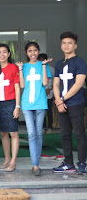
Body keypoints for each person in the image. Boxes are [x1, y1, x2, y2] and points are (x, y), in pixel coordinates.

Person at [53, 31, 87, 175]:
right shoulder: (59, 63)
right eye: (64, 43)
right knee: (65, 134)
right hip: (62, 104)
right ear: (61, 46)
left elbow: (79, 83)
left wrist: (63, 99)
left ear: (75, 45)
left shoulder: (79, 62)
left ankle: (82, 163)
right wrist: (58, 101)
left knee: (79, 134)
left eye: (70, 43)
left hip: (76, 103)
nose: (66, 45)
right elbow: (55, 84)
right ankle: (68, 163)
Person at [16, 42, 52, 176]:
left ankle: (36, 162)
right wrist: (20, 69)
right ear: (26, 53)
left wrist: (43, 66)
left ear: (38, 51)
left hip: (41, 102)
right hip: (27, 103)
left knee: (38, 133)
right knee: (31, 133)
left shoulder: (44, 65)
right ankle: (35, 164)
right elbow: (22, 85)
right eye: (30, 51)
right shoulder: (24, 67)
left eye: (35, 50)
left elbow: (44, 83)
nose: (33, 53)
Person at [0, 44, 20, 172]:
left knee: (13, 132)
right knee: (3, 132)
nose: (2, 55)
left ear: (9, 54)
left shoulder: (13, 67)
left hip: (11, 102)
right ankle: (7, 159)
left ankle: (13, 161)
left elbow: (17, 87)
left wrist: (17, 106)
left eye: (4, 52)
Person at [38, 53, 55, 134]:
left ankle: (50, 128)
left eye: (43, 60)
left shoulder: (51, 69)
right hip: (41, 93)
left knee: (49, 111)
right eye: (40, 60)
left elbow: (56, 81)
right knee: (41, 111)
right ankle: (43, 127)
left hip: (50, 93)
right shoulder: (38, 69)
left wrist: (49, 88)